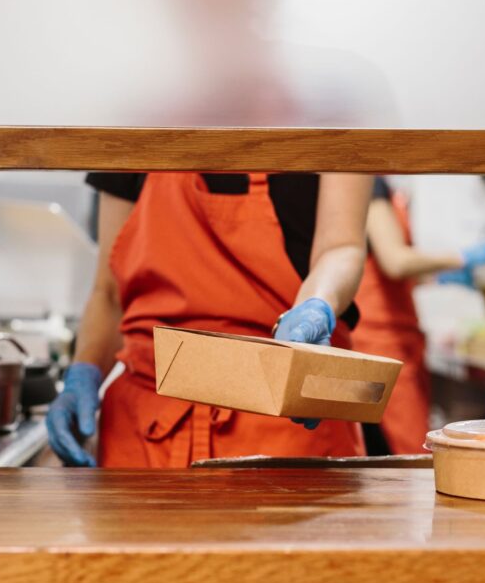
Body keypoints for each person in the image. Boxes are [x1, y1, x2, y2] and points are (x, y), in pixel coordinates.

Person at [47, 172, 374, 467]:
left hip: (287, 430)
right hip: (144, 431)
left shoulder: (330, 117)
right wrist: (84, 370)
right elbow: (108, 292)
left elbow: (341, 246)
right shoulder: (137, 124)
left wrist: (317, 304)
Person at [350, 177, 485, 454]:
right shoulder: (369, 183)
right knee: (410, 455)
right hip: (381, 342)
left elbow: (386, 272)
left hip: (394, 339)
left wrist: (439, 278)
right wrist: (462, 257)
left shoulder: (390, 191)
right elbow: (395, 261)